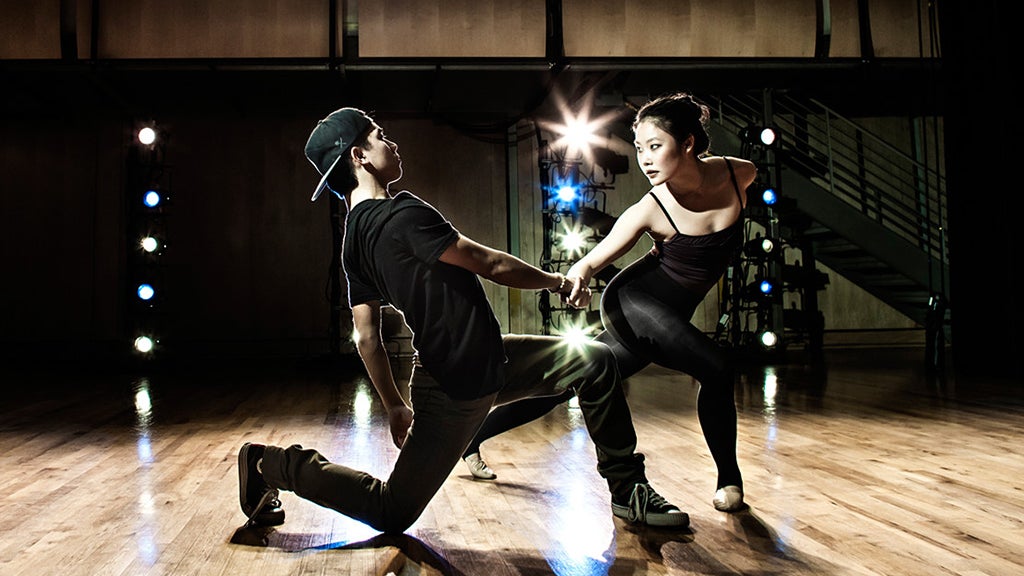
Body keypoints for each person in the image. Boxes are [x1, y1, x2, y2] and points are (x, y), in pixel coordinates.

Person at [236, 106, 689, 533]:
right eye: (380, 137)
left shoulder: (352, 240)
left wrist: (394, 404)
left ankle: (628, 491)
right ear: (359, 156)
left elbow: (366, 338)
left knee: (595, 361)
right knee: (391, 511)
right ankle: (271, 464)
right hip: (455, 386)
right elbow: (489, 263)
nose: (391, 144)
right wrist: (555, 281)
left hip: (487, 361)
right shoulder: (403, 213)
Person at [461, 92, 756, 513]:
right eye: (639, 150)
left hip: (669, 315)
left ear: (688, 143)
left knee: (572, 380)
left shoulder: (738, 174)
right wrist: (576, 278)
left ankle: (472, 437)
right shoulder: (651, 208)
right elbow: (591, 260)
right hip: (634, 302)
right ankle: (730, 481)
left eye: (655, 146)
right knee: (718, 367)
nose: (646, 160)